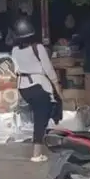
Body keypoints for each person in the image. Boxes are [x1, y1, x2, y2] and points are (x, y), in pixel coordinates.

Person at [11, 17, 60, 163]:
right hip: (39, 86)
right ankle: (36, 153)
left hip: (24, 88)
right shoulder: (38, 48)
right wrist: (57, 86)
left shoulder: (14, 50)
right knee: (41, 117)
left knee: (40, 115)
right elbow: (49, 69)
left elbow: (15, 70)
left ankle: (42, 145)